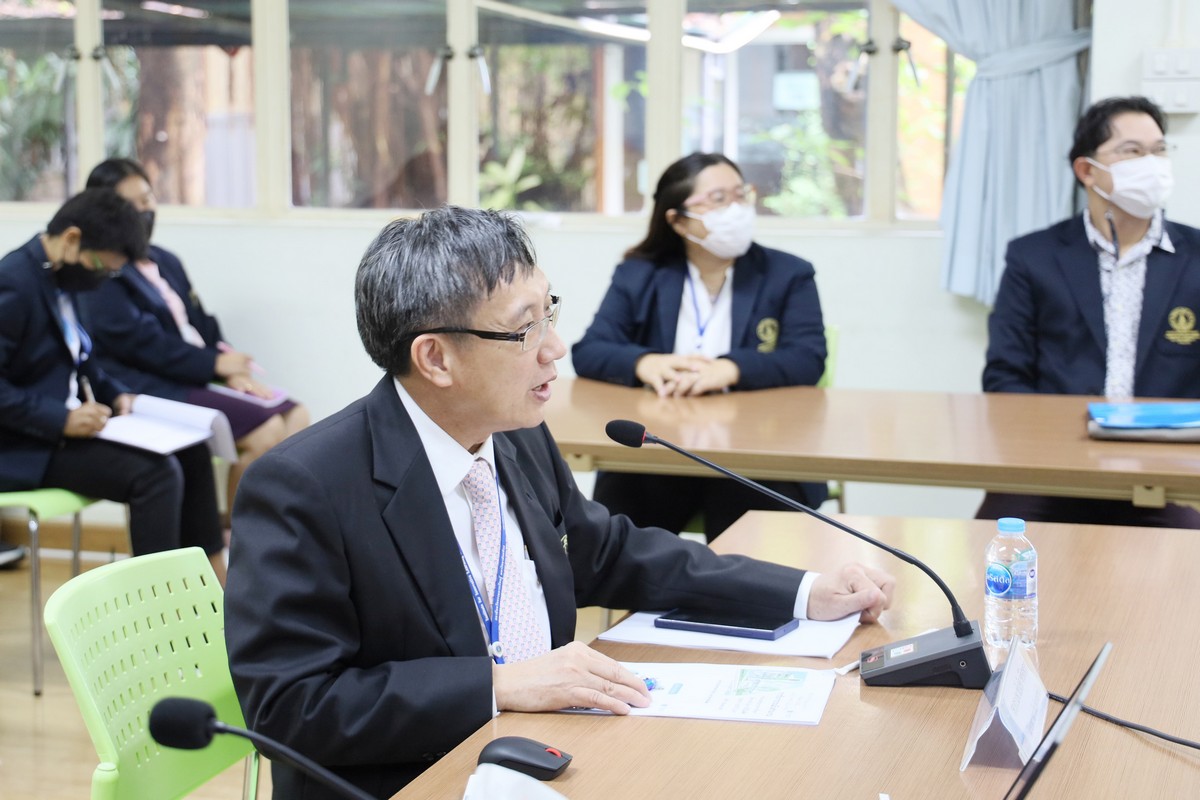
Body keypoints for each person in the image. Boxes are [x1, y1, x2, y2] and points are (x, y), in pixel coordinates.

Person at [223, 205, 895, 799]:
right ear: (436, 359)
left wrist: (805, 593)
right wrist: (497, 685)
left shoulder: (515, 436)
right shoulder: (305, 486)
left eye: (550, 311)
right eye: (524, 329)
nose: (555, 348)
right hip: (414, 779)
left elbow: (613, 554)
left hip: (550, 759)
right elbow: (289, 707)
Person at [572, 152, 829, 541]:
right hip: (663, 451)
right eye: (719, 199)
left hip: (756, 450)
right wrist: (645, 362)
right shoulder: (639, 273)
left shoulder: (788, 274)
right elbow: (589, 351)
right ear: (677, 220)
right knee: (619, 520)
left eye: (741, 195)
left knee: (745, 524)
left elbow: (808, 359)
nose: (736, 209)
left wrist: (731, 368)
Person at [979, 95, 1200, 528]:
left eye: (1158, 150)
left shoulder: (1197, 257)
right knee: (998, 550)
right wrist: (1057, 445)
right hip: (1052, 466)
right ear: (1086, 170)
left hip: (1167, 469)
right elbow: (1005, 377)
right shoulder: (1033, 257)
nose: (1152, 164)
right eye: (1133, 151)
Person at [0, 189, 226, 581]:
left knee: (192, 452)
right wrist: (62, 420)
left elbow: (80, 355)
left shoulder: (57, 278)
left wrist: (117, 395)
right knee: (155, 475)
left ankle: (212, 585)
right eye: (100, 267)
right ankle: (159, 606)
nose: (101, 279)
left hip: (55, 432)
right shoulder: (14, 283)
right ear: (71, 239)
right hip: (21, 442)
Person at [78, 158, 310, 513]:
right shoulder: (104, 272)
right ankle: (238, 536)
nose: (145, 211)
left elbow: (202, 323)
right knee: (267, 432)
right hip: (153, 386)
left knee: (297, 418)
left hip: (194, 377)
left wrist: (231, 370)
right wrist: (215, 364)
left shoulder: (165, 261)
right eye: (133, 204)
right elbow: (144, 345)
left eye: (148, 199)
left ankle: (276, 528)